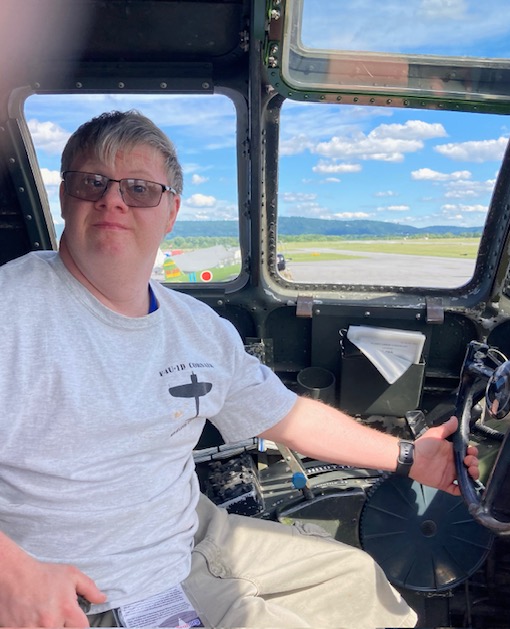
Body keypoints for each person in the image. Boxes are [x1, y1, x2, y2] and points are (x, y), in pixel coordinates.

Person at [0, 110, 479, 628]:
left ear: (171, 211)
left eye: (139, 189)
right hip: (78, 589)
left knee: (358, 583)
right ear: (65, 196)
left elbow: (288, 416)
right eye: (92, 182)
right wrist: (12, 573)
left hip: (186, 537)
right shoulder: (14, 309)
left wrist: (410, 458)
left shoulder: (196, 327)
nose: (112, 200)